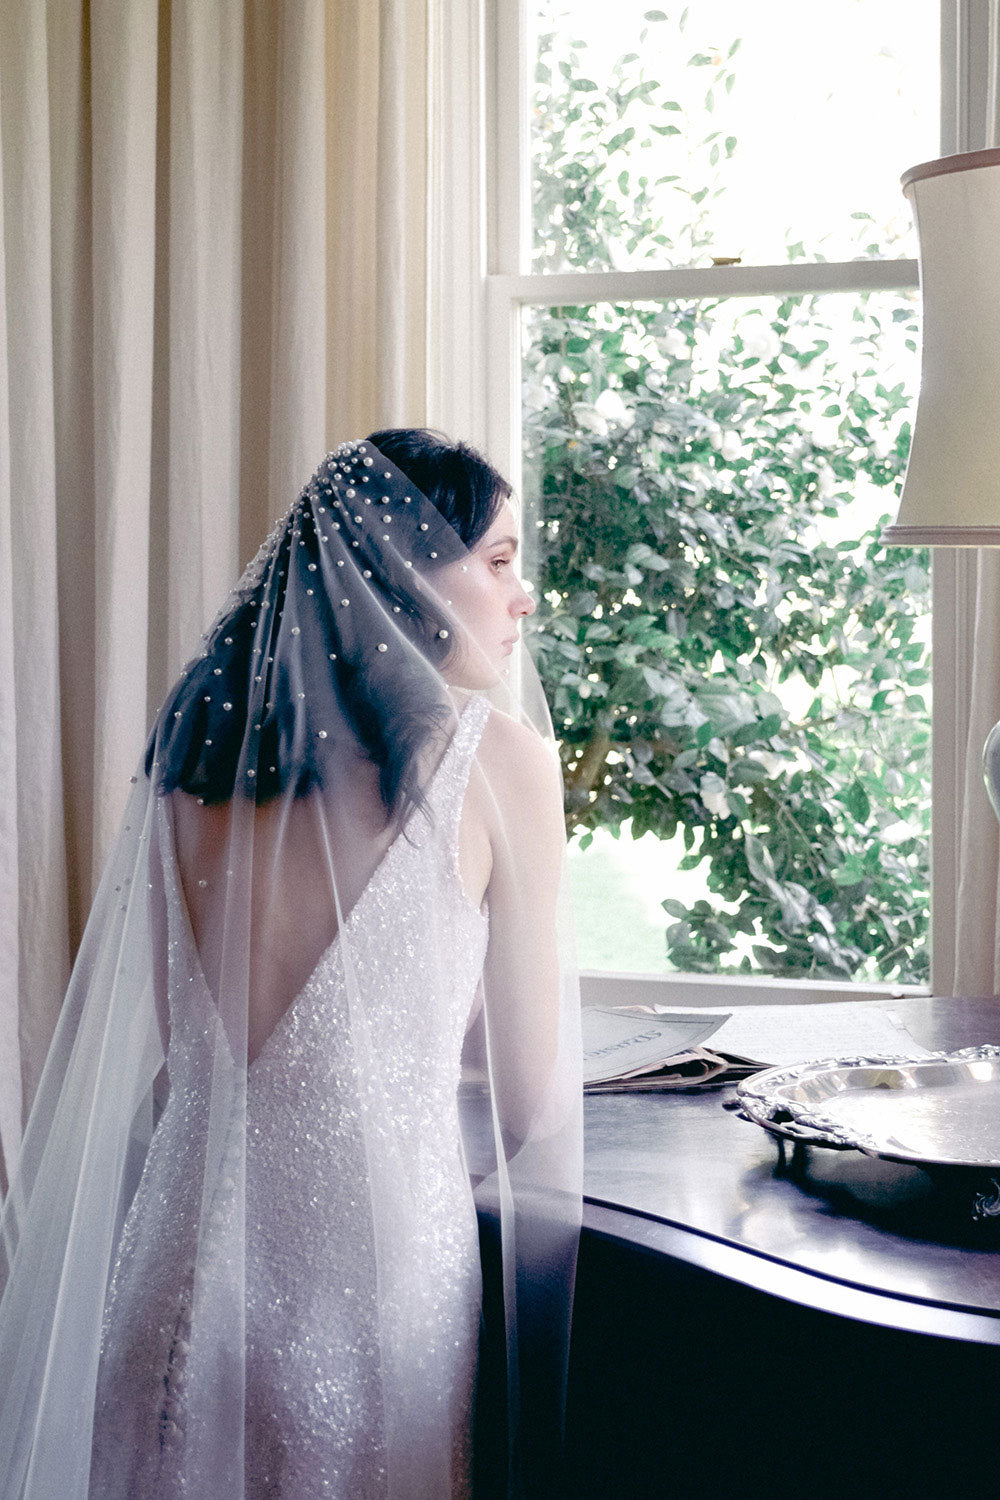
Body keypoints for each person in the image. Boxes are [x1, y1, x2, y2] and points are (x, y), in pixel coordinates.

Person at [0, 431, 583, 1499]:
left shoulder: (192, 753)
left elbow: (191, 1054)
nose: (524, 595)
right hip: (370, 1292)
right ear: (404, 571)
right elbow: (530, 1097)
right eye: (498, 561)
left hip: (171, 1283)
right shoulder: (497, 763)